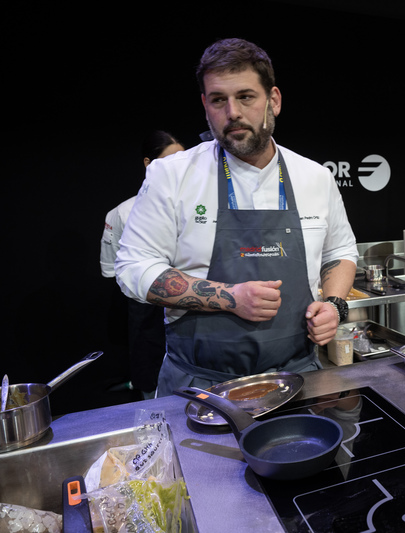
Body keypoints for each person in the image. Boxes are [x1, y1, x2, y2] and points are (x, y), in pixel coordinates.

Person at [115, 38, 358, 396]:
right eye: (218, 100)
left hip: (298, 378)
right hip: (198, 385)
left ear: (273, 99)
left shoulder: (314, 177)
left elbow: (340, 252)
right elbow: (133, 269)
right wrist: (230, 296)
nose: (232, 113)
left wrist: (335, 305)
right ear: (205, 105)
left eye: (245, 97)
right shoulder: (172, 175)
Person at [100, 131, 185, 398]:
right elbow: (114, 270)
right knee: (152, 385)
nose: (178, 168)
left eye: (184, 160)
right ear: (149, 164)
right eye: (170, 160)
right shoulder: (122, 213)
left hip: (195, 309)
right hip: (147, 312)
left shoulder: (201, 208)